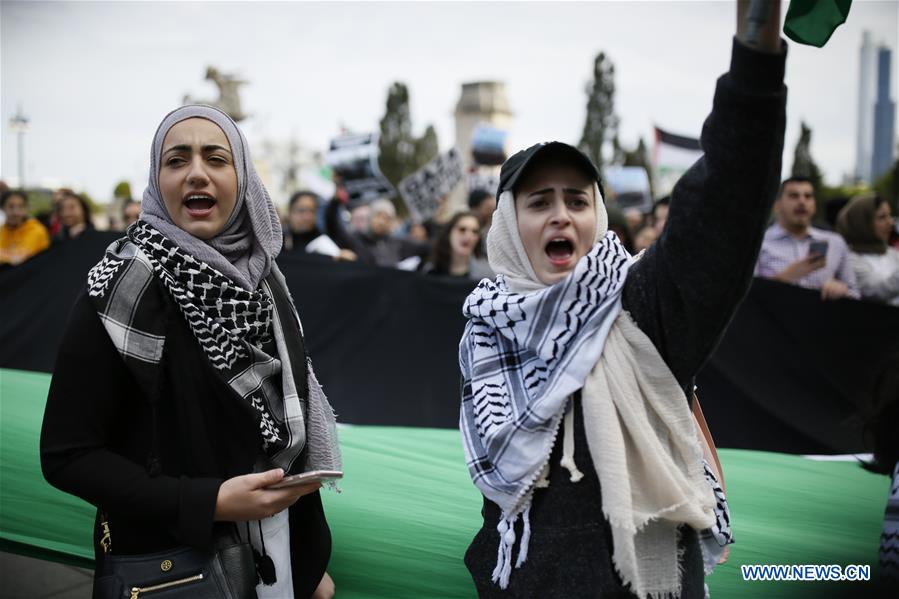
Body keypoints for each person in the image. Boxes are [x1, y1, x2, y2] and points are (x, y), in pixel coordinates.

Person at [459, 2, 785, 596]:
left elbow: (726, 205)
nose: (561, 214)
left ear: (598, 216)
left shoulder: (643, 308)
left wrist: (756, 54)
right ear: (507, 226)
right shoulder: (487, 329)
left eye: (577, 200)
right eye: (539, 202)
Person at [40, 105, 340, 599]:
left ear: (241, 177)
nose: (196, 172)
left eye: (216, 158)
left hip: (280, 563)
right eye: (177, 160)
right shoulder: (121, 287)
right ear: (157, 180)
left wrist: (307, 562)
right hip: (174, 569)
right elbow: (68, 456)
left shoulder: (266, 282)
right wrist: (209, 502)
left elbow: (281, 434)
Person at [754, 176, 859, 300]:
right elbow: (746, 298)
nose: (802, 202)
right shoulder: (759, 244)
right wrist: (786, 277)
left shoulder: (835, 242)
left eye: (808, 196)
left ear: (814, 205)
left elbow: (855, 293)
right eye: (794, 196)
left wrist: (842, 290)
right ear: (777, 206)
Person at [836, 195, 899, 306]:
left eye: (890, 216)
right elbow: (877, 291)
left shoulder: (892, 254)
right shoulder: (850, 259)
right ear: (862, 223)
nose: (890, 222)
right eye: (882, 217)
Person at [282, 190, 356, 261]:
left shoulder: (325, 241)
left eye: (312, 211)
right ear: (290, 212)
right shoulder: (279, 241)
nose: (307, 217)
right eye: (301, 210)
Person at [421, 211, 493, 279]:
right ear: (449, 233)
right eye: (462, 229)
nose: (469, 236)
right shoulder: (430, 270)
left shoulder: (486, 276)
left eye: (475, 232)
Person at [0, 189, 50, 265]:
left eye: (20, 207)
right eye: (11, 206)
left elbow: (19, 259)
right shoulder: (2, 230)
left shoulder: (36, 230)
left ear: (26, 209)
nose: (15, 212)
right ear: (2, 208)